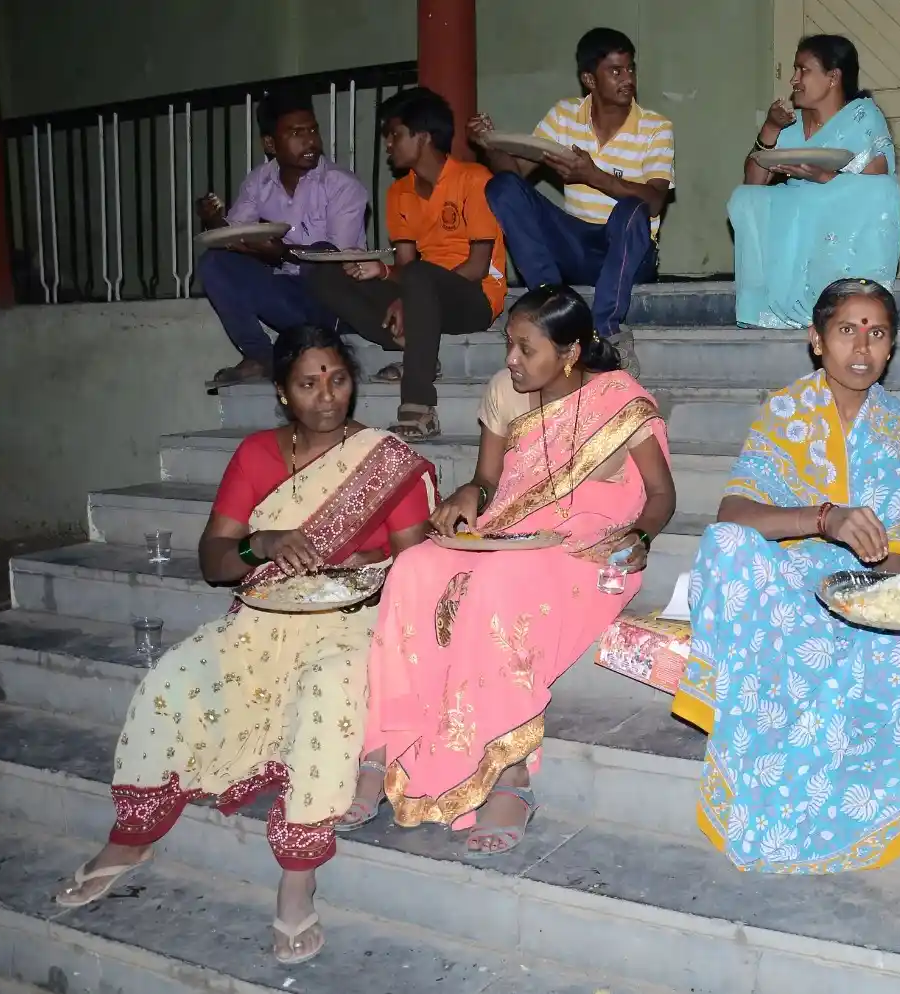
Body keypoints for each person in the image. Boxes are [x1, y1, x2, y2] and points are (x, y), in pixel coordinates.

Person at [53, 325, 436, 965]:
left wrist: (358, 560)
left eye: (338, 380)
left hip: (350, 620)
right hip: (259, 618)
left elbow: (417, 564)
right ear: (283, 394)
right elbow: (214, 558)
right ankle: (133, 836)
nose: (326, 396)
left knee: (329, 692)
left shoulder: (382, 458)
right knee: (170, 681)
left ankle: (297, 875)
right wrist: (265, 543)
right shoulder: (258, 454)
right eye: (308, 383)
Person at [671, 278, 900, 873]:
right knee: (725, 543)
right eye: (846, 330)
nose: (862, 347)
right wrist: (825, 520)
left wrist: (882, 567)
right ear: (817, 341)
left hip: (878, 595)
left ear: (891, 349)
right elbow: (735, 512)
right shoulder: (785, 411)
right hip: (793, 589)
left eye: (878, 333)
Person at [345, 284, 676, 855]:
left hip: (588, 549)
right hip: (510, 532)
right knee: (415, 567)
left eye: (526, 348)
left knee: (495, 584)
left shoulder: (617, 400)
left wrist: (641, 536)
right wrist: (466, 496)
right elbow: (490, 481)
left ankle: (510, 770)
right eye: (509, 345)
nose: (511, 360)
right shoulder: (506, 392)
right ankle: (384, 746)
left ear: (570, 352)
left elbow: (661, 493)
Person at [471, 27, 675, 377]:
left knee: (633, 209)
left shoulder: (656, 126)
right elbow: (516, 173)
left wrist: (592, 175)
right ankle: (551, 300)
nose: (628, 79)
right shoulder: (564, 116)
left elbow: (655, 201)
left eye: (630, 69)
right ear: (589, 79)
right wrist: (489, 144)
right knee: (502, 187)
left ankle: (606, 327)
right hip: (577, 247)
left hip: (629, 250)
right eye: (615, 71)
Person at [308, 87, 507, 441]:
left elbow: (477, 268)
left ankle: (419, 405)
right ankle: (417, 349)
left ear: (424, 136)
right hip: (421, 292)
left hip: (474, 298)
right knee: (326, 273)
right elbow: (404, 264)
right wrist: (384, 274)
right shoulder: (398, 193)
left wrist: (407, 293)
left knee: (417, 277)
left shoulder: (473, 180)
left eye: (395, 135)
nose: (388, 144)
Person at [196, 91, 369, 387]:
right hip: (287, 296)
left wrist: (283, 254)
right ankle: (260, 356)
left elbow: (338, 260)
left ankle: (322, 343)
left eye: (313, 130)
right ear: (270, 144)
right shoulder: (259, 181)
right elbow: (235, 236)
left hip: (335, 303)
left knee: (322, 254)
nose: (310, 141)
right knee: (215, 262)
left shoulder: (342, 186)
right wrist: (214, 222)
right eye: (296, 133)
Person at [729, 35, 900, 329]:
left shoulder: (862, 115)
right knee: (744, 199)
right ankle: (773, 309)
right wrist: (770, 128)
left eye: (803, 70)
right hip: (797, 203)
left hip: (841, 205)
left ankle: (846, 298)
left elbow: (879, 172)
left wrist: (827, 178)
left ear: (832, 77)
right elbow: (753, 180)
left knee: (884, 191)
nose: (794, 80)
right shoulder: (790, 122)